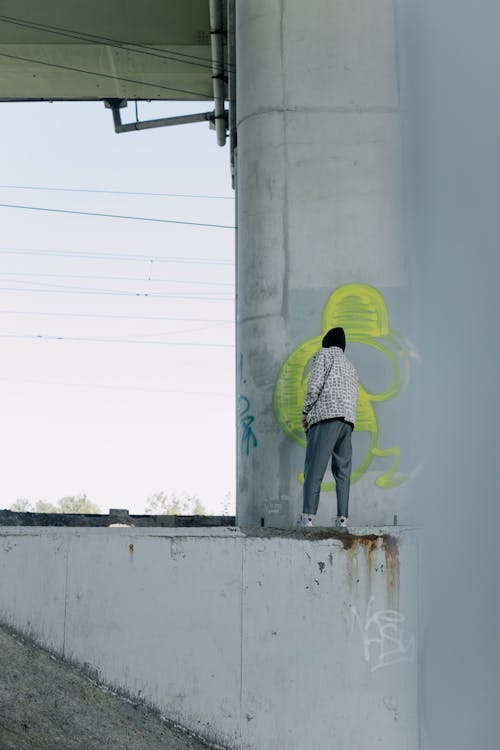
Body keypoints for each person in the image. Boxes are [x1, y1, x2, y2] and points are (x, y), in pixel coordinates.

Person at [298, 327, 358, 529]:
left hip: (326, 416)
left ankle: (307, 518)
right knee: (342, 472)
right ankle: (342, 519)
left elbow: (314, 386)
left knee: (314, 467)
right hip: (347, 420)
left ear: (327, 342)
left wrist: (306, 412)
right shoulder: (351, 366)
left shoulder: (323, 355)